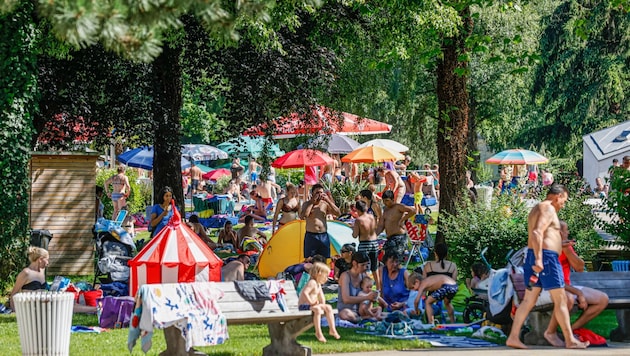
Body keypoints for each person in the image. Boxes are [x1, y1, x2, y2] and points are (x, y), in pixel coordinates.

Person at [506, 184, 589, 349]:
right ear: (558, 196)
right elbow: (537, 232)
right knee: (561, 299)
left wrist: (560, 243)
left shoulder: (537, 208)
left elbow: (542, 235)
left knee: (529, 300)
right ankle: (570, 340)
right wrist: (539, 259)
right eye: (564, 201)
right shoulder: (549, 208)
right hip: (546, 259)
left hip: (535, 256)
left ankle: (513, 337)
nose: (563, 205)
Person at [542, 221, 609, 336]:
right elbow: (552, 280)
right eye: (566, 230)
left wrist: (567, 250)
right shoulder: (545, 247)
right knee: (568, 298)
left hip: (566, 287)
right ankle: (551, 333)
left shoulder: (566, 247)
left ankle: (568, 332)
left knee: (602, 299)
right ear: (559, 232)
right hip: (546, 288)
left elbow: (579, 268)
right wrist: (578, 293)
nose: (568, 232)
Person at [9, 247, 96, 313]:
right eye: (47, 260)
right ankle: (96, 309)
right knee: (66, 305)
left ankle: (96, 309)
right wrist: (14, 310)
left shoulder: (41, 271)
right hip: (31, 306)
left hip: (44, 303)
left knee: (67, 300)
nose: (48, 263)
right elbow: (14, 293)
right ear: (40, 259)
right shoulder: (26, 273)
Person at [297, 262, 340, 342]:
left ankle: (332, 329)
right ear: (319, 273)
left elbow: (321, 297)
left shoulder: (318, 284)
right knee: (317, 310)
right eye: (326, 276)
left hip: (312, 306)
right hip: (304, 305)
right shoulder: (312, 282)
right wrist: (311, 302)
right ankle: (318, 332)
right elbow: (304, 293)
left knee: (329, 307)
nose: (327, 278)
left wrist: (323, 305)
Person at [300, 184, 341, 259]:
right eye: (317, 193)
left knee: (324, 259)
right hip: (311, 236)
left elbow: (338, 213)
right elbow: (304, 216)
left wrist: (328, 200)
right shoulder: (307, 204)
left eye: (321, 192)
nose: (319, 195)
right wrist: (312, 202)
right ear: (312, 194)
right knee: (310, 260)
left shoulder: (325, 204)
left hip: (323, 235)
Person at [337, 251, 377, 323]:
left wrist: (373, 297)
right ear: (354, 264)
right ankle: (364, 319)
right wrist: (367, 297)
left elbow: (368, 293)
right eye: (363, 265)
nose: (365, 268)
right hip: (347, 310)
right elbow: (346, 299)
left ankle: (364, 318)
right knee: (345, 314)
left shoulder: (364, 276)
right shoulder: (345, 276)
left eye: (367, 265)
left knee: (379, 310)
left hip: (361, 311)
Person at [376, 190, 416, 257]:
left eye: (387, 200)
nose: (385, 203)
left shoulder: (398, 207)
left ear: (392, 199)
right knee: (385, 257)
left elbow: (413, 211)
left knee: (394, 257)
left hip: (399, 237)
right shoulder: (385, 210)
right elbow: (381, 226)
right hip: (390, 238)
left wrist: (402, 220)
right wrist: (374, 235)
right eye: (384, 201)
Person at [353, 200, 380, 290]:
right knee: (374, 268)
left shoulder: (358, 220)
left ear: (357, 210)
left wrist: (353, 228)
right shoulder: (371, 217)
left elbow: (355, 235)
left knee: (365, 267)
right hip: (374, 243)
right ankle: (379, 288)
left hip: (364, 244)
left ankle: (367, 287)